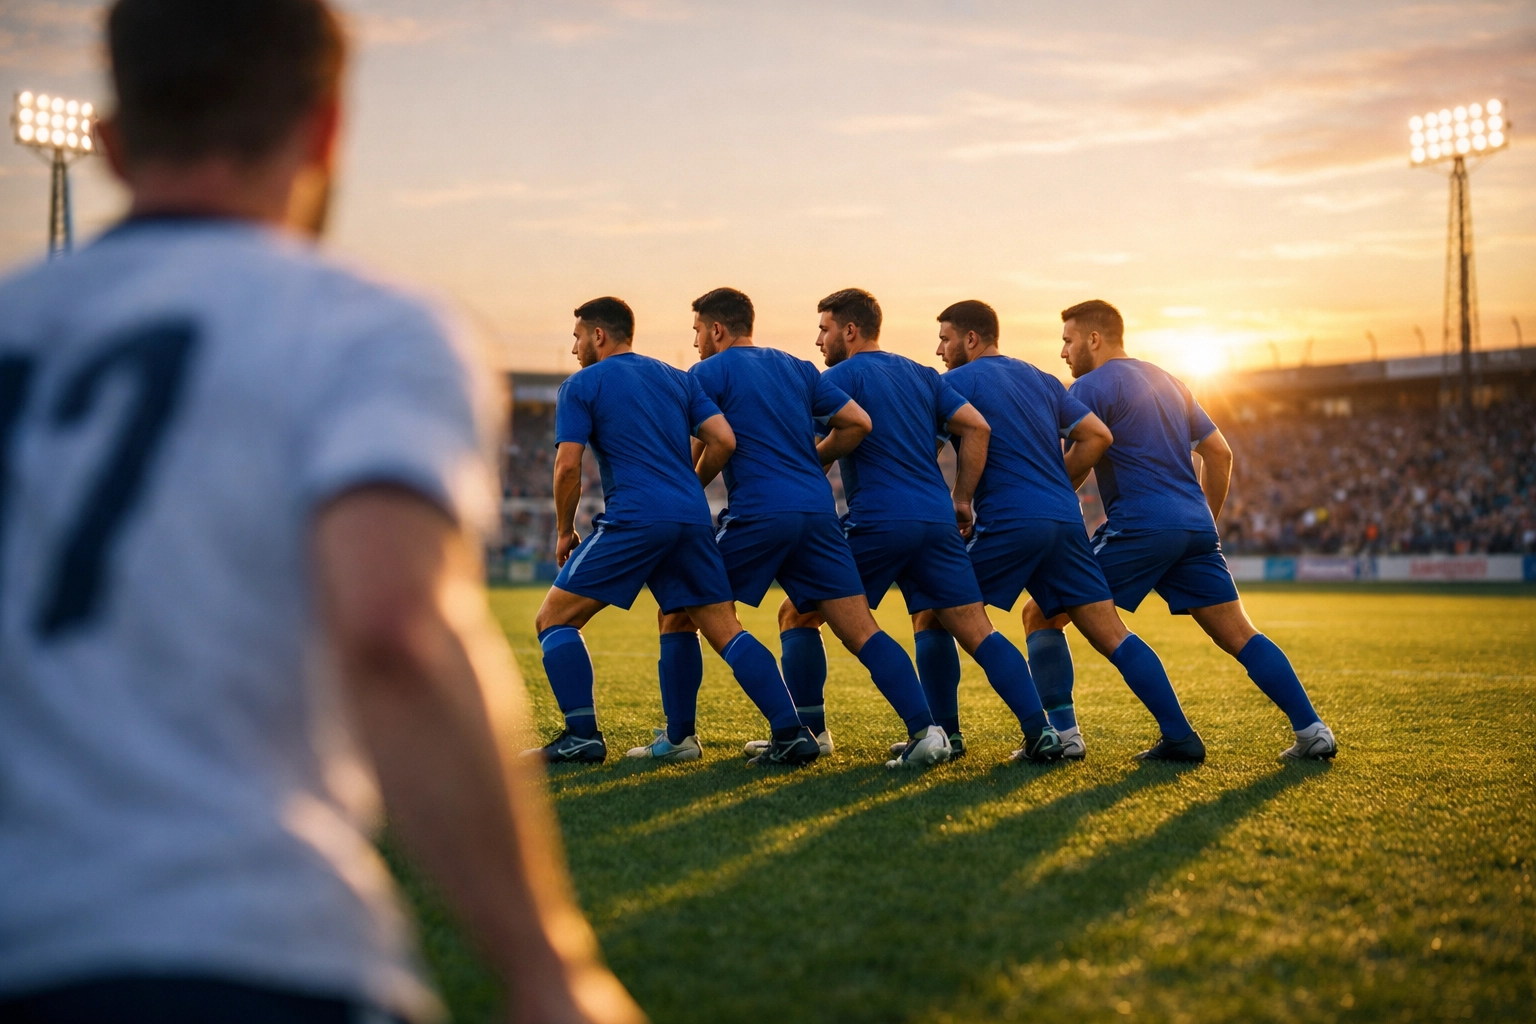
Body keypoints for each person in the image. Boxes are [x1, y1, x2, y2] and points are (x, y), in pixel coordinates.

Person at [0, 2, 645, 1023]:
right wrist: (546, 964)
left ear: (116, 142)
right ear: (328, 127)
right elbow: (394, 630)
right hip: (246, 943)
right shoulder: (367, 325)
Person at [636, 288, 949, 769]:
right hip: (817, 513)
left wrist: (690, 483)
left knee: (679, 609)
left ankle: (693, 737)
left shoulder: (706, 373)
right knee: (860, 627)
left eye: (697, 330)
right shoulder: (798, 367)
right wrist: (813, 462)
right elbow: (857, 422)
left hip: (761, 512)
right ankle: (926, 732)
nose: (696, 341)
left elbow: (715, 440)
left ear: (716, 329)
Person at [528, 297, 819, 767]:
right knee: (723, 630)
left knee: (554, 619)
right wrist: (689, 487)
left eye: (578, 336)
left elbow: (566, 468)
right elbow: (723, 438)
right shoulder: (679, 378)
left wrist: (565, 530)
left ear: (598, 336)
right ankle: (789, 733)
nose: (576, 346)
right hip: (691, 518)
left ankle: (581, 736)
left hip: (635, 517)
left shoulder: (581, 385)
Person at [1050, 299, 1338, 761]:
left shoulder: (1088, 387)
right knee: (1241, 635)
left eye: (1067, 340)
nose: (1063, 352)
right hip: (1195, 526)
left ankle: (1076, 737)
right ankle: (1312, 730)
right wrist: (1206, 518)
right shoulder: (1171, 381)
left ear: (1093, 338)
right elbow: (1220, 453)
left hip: (1140, 525)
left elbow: (1081, 455)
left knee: (1042, 615)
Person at [785, 288, 1064, 764]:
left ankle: (815, 733)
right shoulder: (923, 374)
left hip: (879, 520)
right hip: (936, 520)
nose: (818, 340)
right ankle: (1041, 733)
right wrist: (961, 501)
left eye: (824, 329)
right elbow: (977, 427)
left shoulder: (837, 378)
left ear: (849, 331)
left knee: (799, 615)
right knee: (977, 629)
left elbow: (822, 435)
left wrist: (815, 461)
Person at [931, 300, 1199, 762]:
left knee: (934, 609)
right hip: (1065, 521)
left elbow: (938, 444)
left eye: (945, 339)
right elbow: (1097, 435)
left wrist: (959, 498)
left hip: (1010, 520)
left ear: (970, 339)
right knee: (1108, 630)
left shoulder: (954, 383)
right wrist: (1059, 484)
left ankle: (952, 738)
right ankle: (1175, 734)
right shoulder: (1044, 380)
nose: (939, 350)